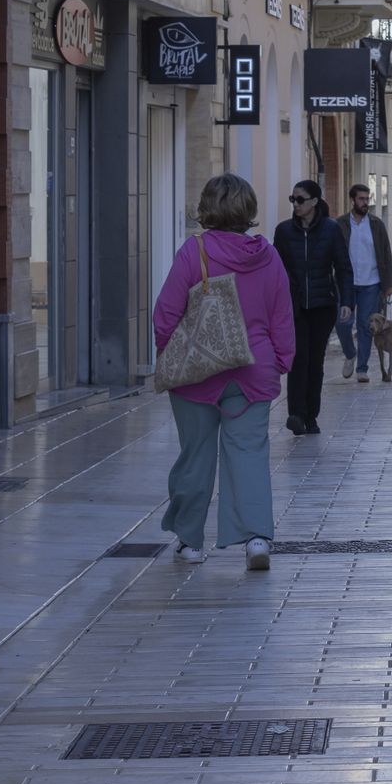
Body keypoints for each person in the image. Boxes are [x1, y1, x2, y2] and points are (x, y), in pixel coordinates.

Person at [154, 174, 295, 571]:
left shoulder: (193, 251)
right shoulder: (268, 256)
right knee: (249, 453)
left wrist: (168, 351)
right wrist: (281, 360)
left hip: (197, 373)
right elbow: (281, 315)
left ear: (207, 207)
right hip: (254, 372)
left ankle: (190, 542)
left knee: (195, 455)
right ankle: (255, 538)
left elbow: (165, 312)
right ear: (248, 210)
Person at [274, 180, 352, 435]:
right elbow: (276, 271)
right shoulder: (284, 231)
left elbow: (343, 267)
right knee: (298, 358)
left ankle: (311, 415)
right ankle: (296, 414)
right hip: (294, 306)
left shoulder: (331, 229)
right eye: (293, 199)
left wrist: (347, 302)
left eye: (300, 199)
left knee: (315, 361)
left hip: (323, 305)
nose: (295, 204)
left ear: (314, 202)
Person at [338, 184, 392, 382]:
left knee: (364, 324)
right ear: (353, 200)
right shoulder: (341, 224)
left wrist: (388, 284)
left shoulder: (377, 224)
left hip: (371, 283)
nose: (365, 202)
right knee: (343, 323)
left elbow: (386, 253)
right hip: (346, 283)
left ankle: (362, 368)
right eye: (361, 199)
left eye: (367, 198)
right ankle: (350, 353)